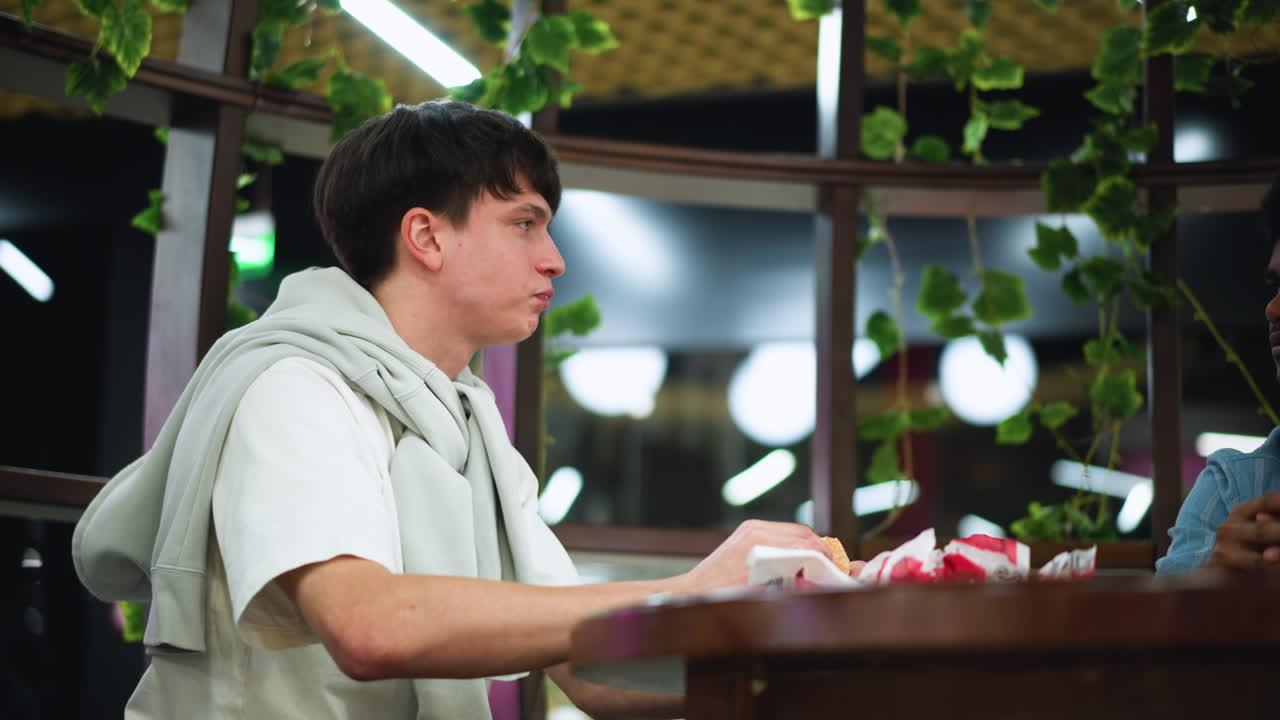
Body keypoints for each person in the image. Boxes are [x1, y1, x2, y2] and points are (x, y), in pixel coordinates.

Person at [72, 101, 846, 719]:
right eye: (524, 223)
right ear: (425, 237)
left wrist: (795, 674)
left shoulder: (471, 422)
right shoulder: (295, 386)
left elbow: (586, 666)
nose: (555, 258)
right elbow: (370, 626)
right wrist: (688, 595)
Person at [1157, 175, 1280, 574]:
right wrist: (1212, 582)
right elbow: (1160, 628)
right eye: (1275, 287)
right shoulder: (1237, 486)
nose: (1272, 310)